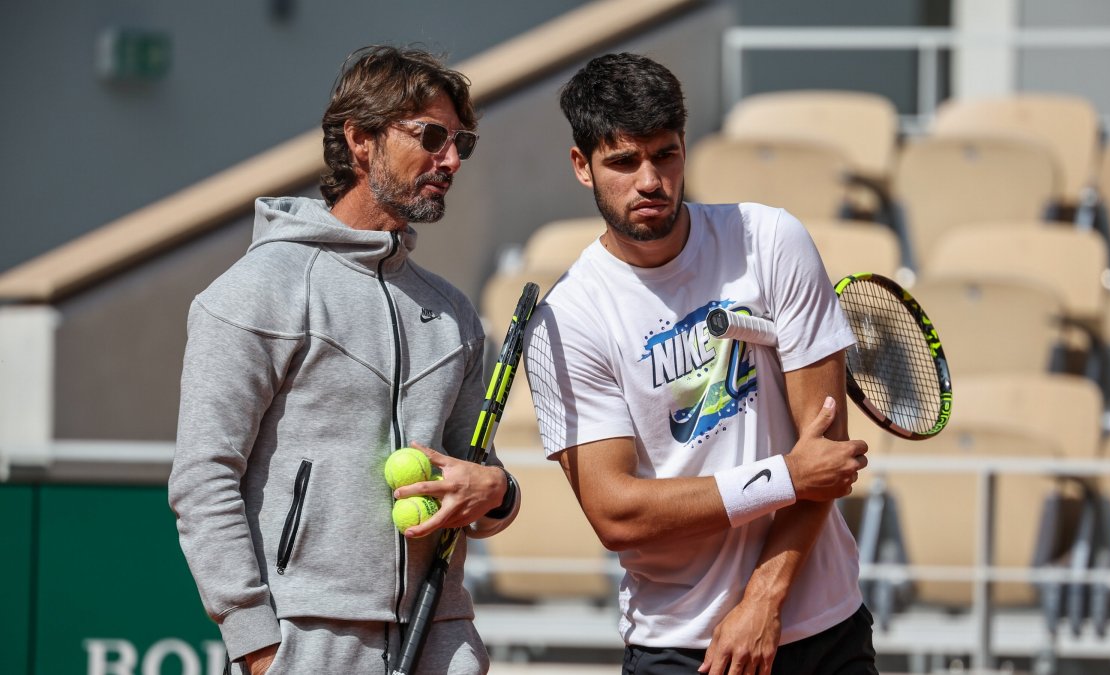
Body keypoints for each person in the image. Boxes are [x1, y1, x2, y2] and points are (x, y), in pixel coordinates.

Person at [168, 45, 520, 675]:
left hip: (439, 638)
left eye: (460, 142)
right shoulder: (258, 289)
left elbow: (475, 475)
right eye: (431, 136)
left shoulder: (457, 315)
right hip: (305, 642)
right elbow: (203, 480)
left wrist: (498, 492)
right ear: (360, 139)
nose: (449, 160)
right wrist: (258, 646)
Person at [522, 52, 877, 675]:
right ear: (582, 166)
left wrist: (764, 600)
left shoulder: (770, 241)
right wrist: (782, 478)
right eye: (623, 161)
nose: (650, 180)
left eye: (665, 154)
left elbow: (823, 457)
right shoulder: (568, 318)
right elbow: (617, 512)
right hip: (680, 647)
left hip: (823, 627)